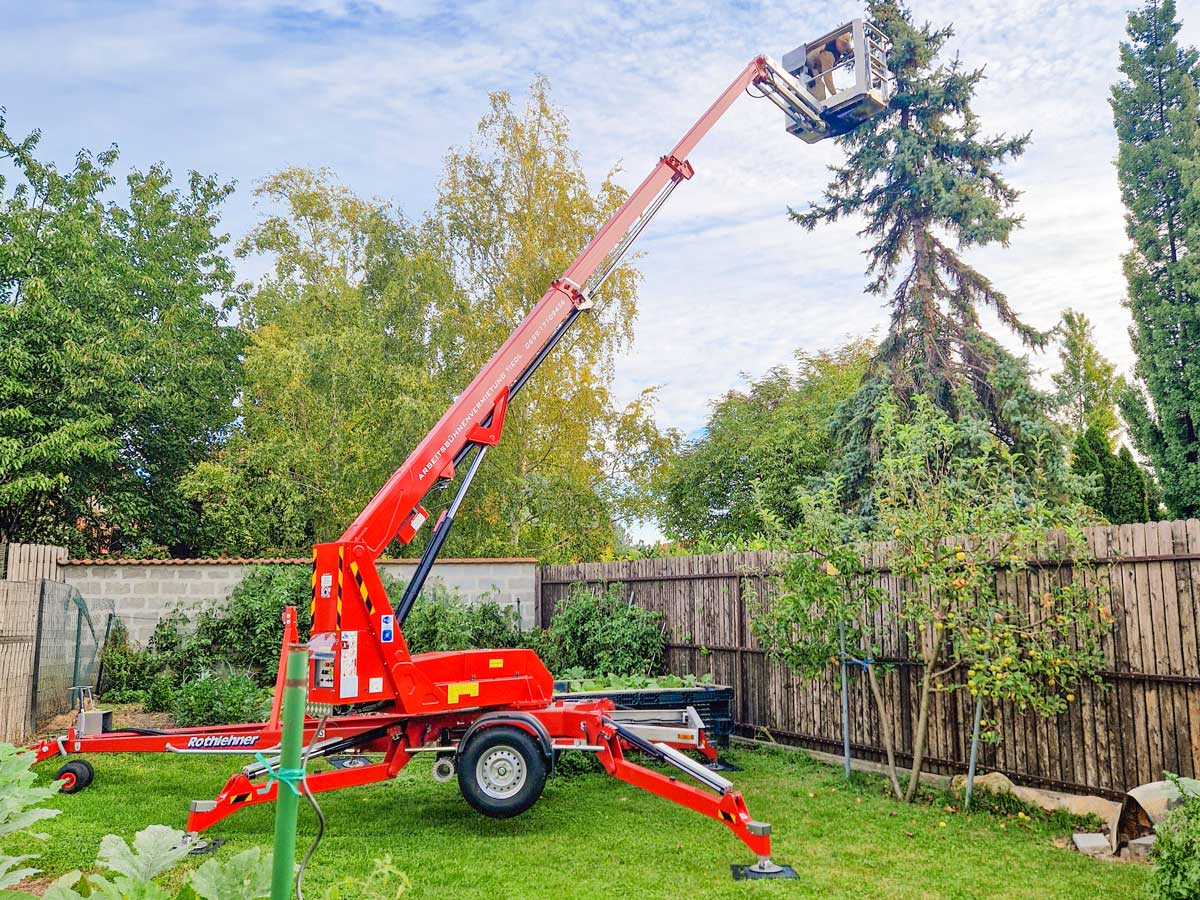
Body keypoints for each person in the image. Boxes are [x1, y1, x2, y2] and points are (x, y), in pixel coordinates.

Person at [805, 32, 853, 101]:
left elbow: (848, 48)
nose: (844, 47)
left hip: (816, 68)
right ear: (837, 40)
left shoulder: (838, 45)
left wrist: (851, 52)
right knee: (820, 91)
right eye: (843, 44)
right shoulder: (828, 54)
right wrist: (836, 96)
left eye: (846, 45)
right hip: (809, 68)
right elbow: (827, 77)